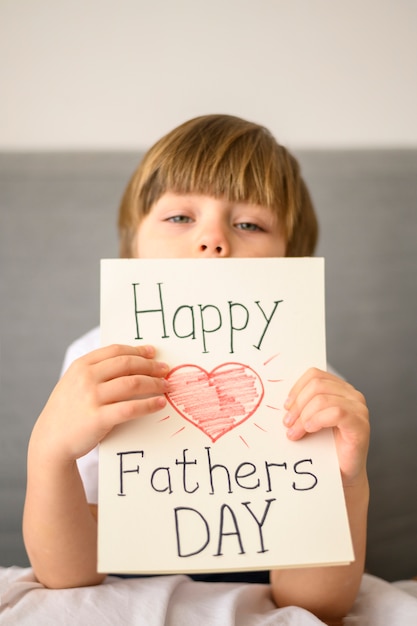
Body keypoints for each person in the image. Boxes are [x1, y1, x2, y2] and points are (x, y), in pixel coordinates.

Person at [23, 114, 370, 623]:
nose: (213, 240)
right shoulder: (96, 365)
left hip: (258, 585)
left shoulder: (309, 384)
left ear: (289, 261)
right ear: (133, 245)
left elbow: (314, 608)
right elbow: (68, 580)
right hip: (123, 590)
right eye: (180, 217)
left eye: (249, 223)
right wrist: (49, 453)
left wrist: (346, 483)